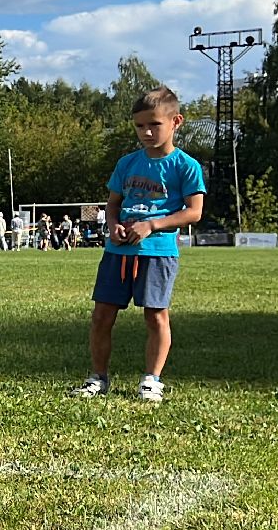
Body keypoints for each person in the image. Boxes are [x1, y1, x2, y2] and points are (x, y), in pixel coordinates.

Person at [69, 86, 205, 404]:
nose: (146, 131)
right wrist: (112, 224)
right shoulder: (127, 163)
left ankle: (152, 380)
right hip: (118, 252)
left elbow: (194, 212)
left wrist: (152, 225)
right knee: (102, 315)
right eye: (139, 126)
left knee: (156, 316)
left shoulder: (186, 166)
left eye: (154, 124)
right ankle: (98, 378)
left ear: (176, 122)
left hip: (157, 252)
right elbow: (113, 202)